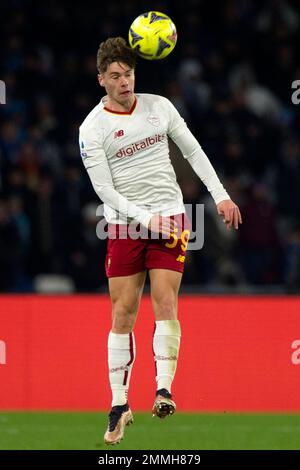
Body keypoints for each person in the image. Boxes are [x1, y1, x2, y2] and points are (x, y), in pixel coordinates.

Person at [79, 37, 242, 446]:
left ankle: (163, 390)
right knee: (123, 312)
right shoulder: (91, 129)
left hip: (169, 216)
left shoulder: (160, 107)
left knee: (166, 302)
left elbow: (193, 151)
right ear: (101, 80)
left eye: (129, 74)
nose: (124, 82)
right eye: (114, 76)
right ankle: (119, 406)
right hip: (126, 222)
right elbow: (105, 192)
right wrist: (147, 220)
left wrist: (220, 194)